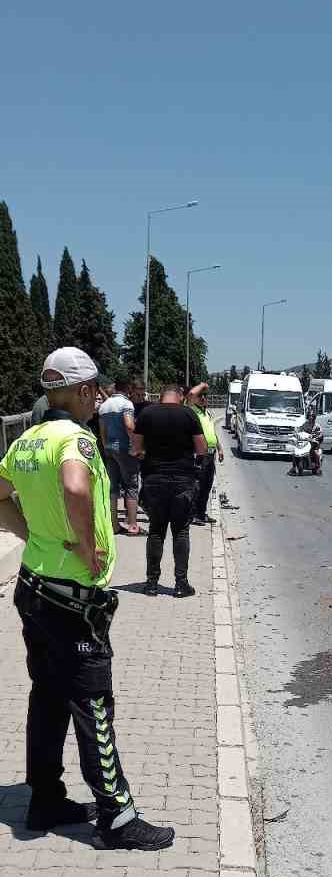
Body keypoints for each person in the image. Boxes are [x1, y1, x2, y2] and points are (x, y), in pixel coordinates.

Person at [0, 346, 174, 850]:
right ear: (81, 391)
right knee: (93, 702)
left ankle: (45, 799)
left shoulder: (27, 440)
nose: (98, 398)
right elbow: (77, 489)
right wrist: (84, 544)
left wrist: (32, 532)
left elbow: (0, 491)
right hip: (73, 597)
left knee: (47, 697)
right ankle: (117, 817)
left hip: (33, 587)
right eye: (95, 390)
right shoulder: (75, 440)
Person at [133, 385, 207, 597]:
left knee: (156, 530)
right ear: (181, 397)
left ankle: (151, 583)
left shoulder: (147, 413)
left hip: (154, 479)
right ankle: (181, 584)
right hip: (183, 479)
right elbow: (201, 448)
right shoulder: (188, 413)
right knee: (181, 531)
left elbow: (136, 449)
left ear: (161, 396)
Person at [98, 380, 140, 535]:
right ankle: (133, 525)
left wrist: (105, 446)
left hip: (109, 448)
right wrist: (136, 446)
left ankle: (114, 524)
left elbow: (102, 431)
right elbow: (129, 426)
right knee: (131, 485)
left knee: (112, 487)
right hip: (124, 448)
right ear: (128, 389)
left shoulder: (104, 406)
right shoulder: (126, 404)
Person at [185, 383, 224, 524]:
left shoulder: (207, 413)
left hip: (211, 453)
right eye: (200, 396)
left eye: (205, 396)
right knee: (198, 485)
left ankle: (201, 513)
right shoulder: (192, 410)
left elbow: (211, 432)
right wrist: (202, 385)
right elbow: (190, 395)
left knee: (207, 485)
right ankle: (194, 514)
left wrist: (219, 448)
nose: (203, 399)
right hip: (200, 453)